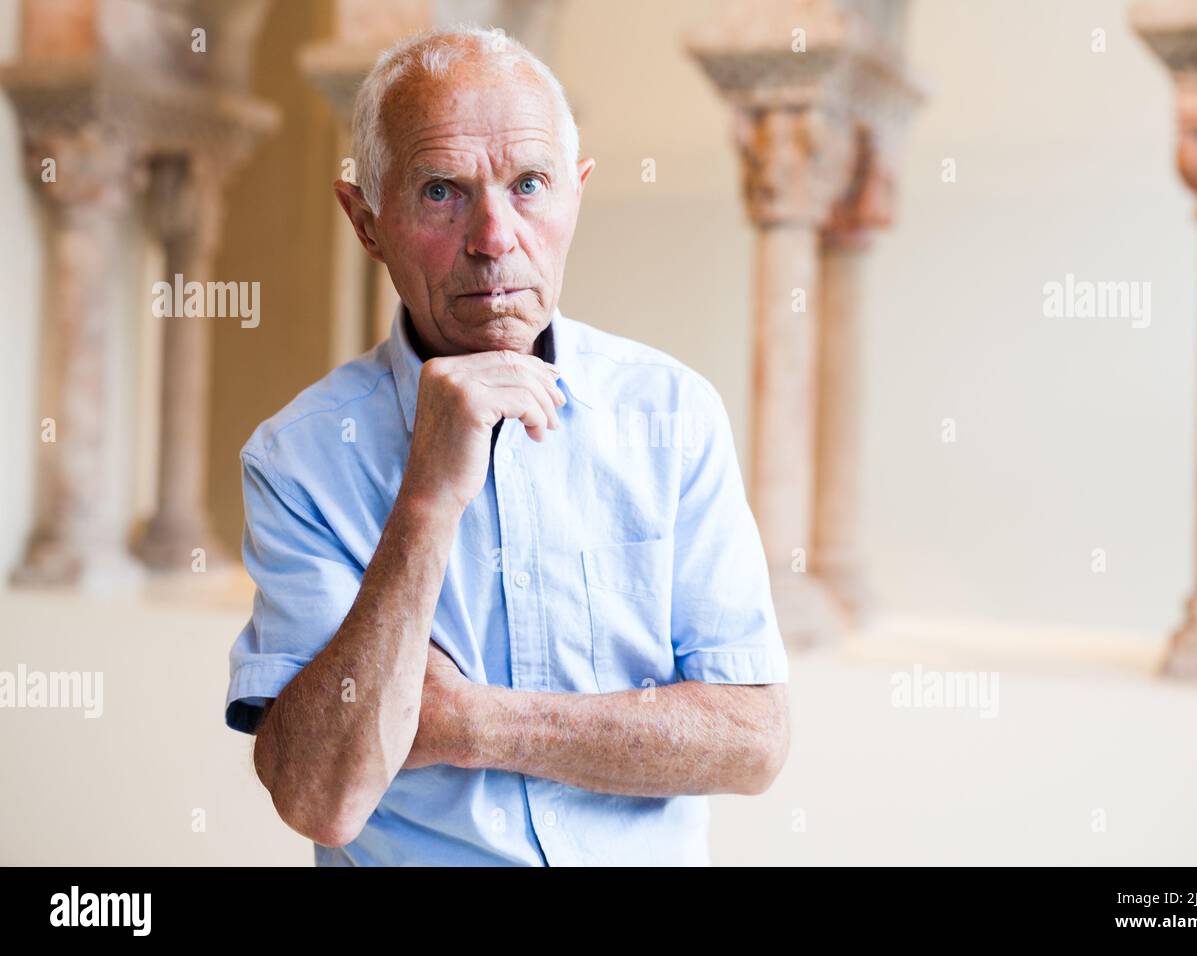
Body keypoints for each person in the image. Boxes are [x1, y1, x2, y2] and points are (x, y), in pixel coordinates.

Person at [224, 26, 790, 865]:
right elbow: (320, 797)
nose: (494, 238)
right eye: (443, 192)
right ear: (365, 220)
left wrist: (469, 720)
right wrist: (426, 498)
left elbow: (752, 742)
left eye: (529, 184)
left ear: (577, 194)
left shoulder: (672, 414)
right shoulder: (299, 460)